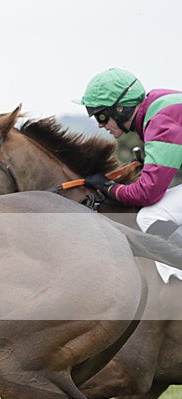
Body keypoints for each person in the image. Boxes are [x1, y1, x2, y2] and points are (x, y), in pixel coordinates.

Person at [75, 68, 182, 281]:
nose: (100, 124)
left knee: (151, 214)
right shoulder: (158, 104)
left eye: (102, 115)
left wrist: (108, 187)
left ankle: (174, 290)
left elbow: (147, 194)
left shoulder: (160, 120)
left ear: (121, 108)